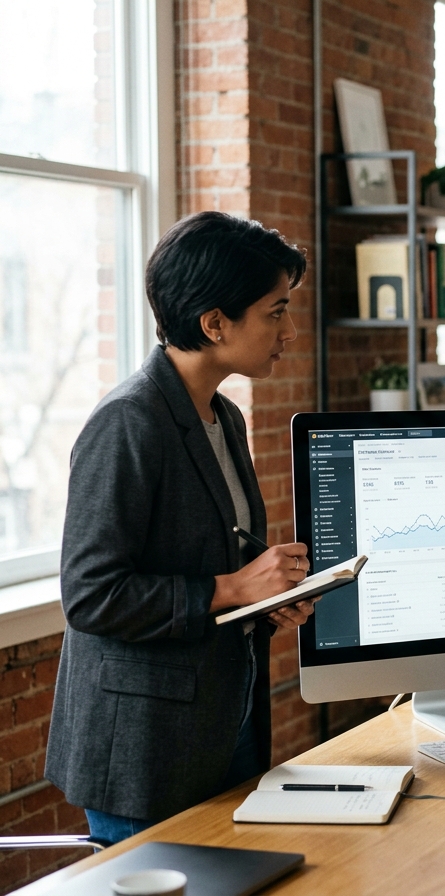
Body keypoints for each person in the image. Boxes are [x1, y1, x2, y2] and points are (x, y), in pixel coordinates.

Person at [45, 211, 317, 844]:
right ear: (214, 323)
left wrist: (269, 598)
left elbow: (218, 561)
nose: (291, 331)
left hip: (226, 723)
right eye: (275, 312)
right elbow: (91, 595)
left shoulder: (224, 416)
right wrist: (233, 589)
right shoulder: (126, 424)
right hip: (144, 750)